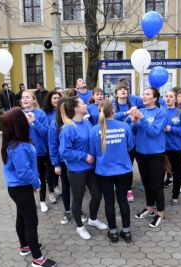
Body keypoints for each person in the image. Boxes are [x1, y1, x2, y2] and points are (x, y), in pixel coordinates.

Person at [1, 107, 57, 267]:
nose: (28, 116)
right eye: (24, 115)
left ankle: (25, 246)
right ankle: (37, 259)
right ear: (19, 122)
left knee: (22, 217)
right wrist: (36, 183)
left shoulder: (16, 142)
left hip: (18, 188)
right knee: (31, 222)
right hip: (21, 187)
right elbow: (24, 172)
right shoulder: (18, 147)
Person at [58, 96, 107, 240]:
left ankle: (92, 219)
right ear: (76, 108)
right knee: (78, 199)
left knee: (97, 195)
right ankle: (80, 227)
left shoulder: (86, 123)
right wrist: (84, 156)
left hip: (91, 168)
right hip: (76, 170)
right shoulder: (68, 129)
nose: (86, 104)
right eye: (82, 103)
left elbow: (93, 140)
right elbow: (64, 152)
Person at [89, 100, 134, 243]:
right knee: (123, 200)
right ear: (113, 111)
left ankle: (113, 233)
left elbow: (93, 152)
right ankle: (126, 232)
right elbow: (130, 146)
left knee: (109, 202)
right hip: (123, 170)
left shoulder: (94, 129)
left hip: (104, 172)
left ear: (99, 111)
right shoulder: (125, 126)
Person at [131, 88, 167, 228]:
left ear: (155, 98)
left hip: (155, 154)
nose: (144, 96)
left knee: (156, 184)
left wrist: (141, 118)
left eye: (147, 94)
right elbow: (134, 131)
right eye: (143, 94)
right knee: (146, 182)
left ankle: (160, 213)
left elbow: (154, 132)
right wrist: (134, 122)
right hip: (141, 152)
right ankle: (150, 208)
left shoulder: (161, 113)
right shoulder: (141, 110)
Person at [112, 82, 144, 201]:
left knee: (128, 165)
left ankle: (128, 189)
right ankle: (116, 183)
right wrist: (126, 113)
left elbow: (136, 125)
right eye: (120, 89)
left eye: (125, 89)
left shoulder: (134, 105)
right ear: (116, 94)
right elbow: (111, 116)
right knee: (117, 164)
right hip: (116, 141)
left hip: (131, 142)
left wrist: (133, 123)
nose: (123, 91)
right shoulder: (112, 105)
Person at [21, 90, 50, 213]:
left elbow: (45, 132)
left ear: (33, 100)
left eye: (28, 97)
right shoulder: (19, 114)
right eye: (23, 98)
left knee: (41, 178)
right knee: (27, 177)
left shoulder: (40, 114)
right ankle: (30, 202)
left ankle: (42, 201)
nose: (25, 99)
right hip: (24, 152)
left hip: (39, 152)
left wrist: (34, 122)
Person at [164, 89, 181, 207]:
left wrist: (171, 129)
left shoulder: (180, 113)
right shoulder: (161, 112)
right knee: (161, 173)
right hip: (162, 148)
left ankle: (175, 197)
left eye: (171, 96)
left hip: (177, 149)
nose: (168, 98)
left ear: (175, 99)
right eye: (166, 96)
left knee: (177, 173)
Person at [43, 90, 63, 204]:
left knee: (58, 168)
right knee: (50, 169)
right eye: (54, 98)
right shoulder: (45, 113)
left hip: (62, 145)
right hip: (49, 145)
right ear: (50, 100)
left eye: (58, 98)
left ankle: (56, 185)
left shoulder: (63, 111)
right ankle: (50, 191)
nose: (56, 100)